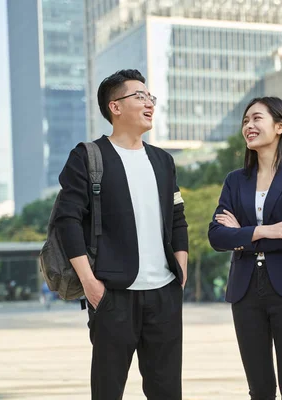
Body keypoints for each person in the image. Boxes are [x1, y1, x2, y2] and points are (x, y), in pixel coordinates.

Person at [54, 69, 189, 400]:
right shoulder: (88, 156)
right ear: (115, 107)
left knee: (167, 391)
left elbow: (177, 217)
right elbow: (67, 220)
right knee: (107, 390)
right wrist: (90, 283)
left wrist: (180, 273)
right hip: (112, 293)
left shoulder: (163, 160)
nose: (149, 104)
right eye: (139, 96)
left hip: (164, 294)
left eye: (150, 97)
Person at [208, 97, 282, 400]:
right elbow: (217, 236)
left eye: (257, 118)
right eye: (246, 121)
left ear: (280, 125)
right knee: (259, 389)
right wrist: (265, 230)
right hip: (245, 291)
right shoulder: (235, 180)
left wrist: (242, 235)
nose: (249, 126)